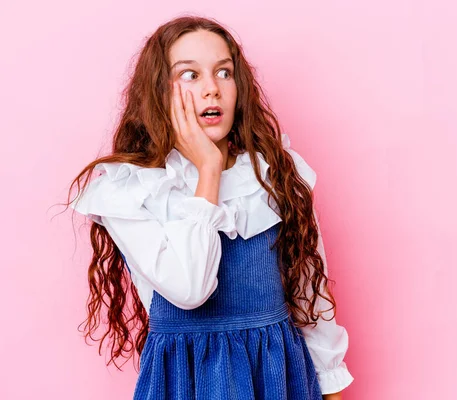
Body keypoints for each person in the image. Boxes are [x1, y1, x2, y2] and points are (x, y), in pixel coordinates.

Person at [67, 15, 354, 400]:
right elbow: (191, 290)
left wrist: (332, 388)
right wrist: (209, 169)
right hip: (185, 383)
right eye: (190, 75)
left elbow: (310, 295)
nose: (212, 90)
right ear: (158, 90)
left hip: (276, 376)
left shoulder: (276, 172)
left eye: (224, 72)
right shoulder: (130, 189)